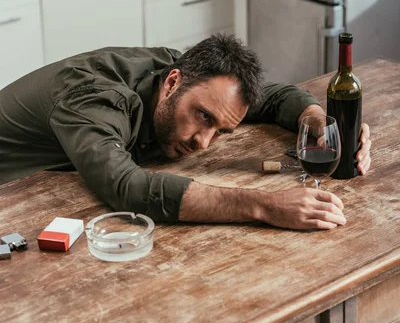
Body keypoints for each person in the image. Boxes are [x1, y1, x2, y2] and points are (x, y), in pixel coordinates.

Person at [0, 34, 371, 230]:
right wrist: (264, 205)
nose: (202, 142)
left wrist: (322, 127)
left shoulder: (186, 74)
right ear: (172, 83)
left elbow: (275, 97)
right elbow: (130, 190)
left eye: (220, 130)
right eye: (204, 118)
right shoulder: (94, 99)